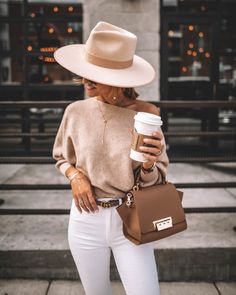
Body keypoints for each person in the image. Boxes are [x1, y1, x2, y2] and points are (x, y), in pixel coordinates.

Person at [52, 21, 169, 295]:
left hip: (129, 217)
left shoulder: (146, 115)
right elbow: (61, 157)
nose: (85, 80)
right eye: (86, 72)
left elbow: (157, 178)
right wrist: (75, 175)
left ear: (121, 79)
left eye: (96, 74)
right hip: (85, 218)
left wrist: (150, 164)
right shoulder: (75, 111)